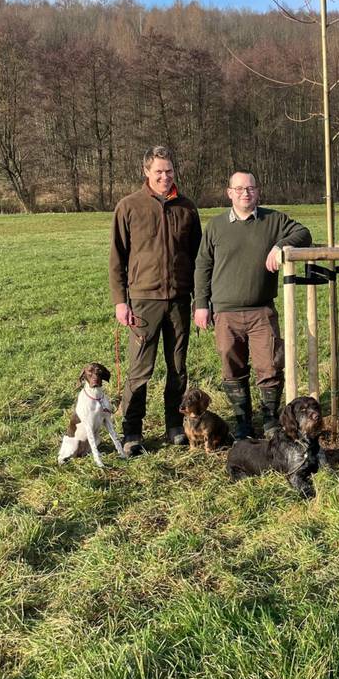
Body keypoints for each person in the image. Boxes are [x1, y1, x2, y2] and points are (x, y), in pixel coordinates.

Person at [194, 171, 311, 439]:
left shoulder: (273, 220)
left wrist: (280, 246)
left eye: (250, 188)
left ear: (257, 192)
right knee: (231, 366)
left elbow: (303, 233)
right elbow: (203, 265)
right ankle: (243, 422)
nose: (245, 193)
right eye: (239, 189)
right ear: (230, 193)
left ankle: (270, 420)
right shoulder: (216, 226)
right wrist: (201, 304)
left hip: (262, 310)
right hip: (225, 312)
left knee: (269, 365)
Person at [110, 145, 202, 455]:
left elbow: (199, 257)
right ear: (147, 172)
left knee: (177, 367)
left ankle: (175, 426)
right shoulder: (129, 207)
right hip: (143, 301)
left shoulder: (187, 208)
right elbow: (117, 258)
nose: (165, 176)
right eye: (159, 171)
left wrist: (198, 297)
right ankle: (132, 432)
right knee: (140, 370)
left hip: (178, 299)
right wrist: (120, 302)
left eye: (170, 171)